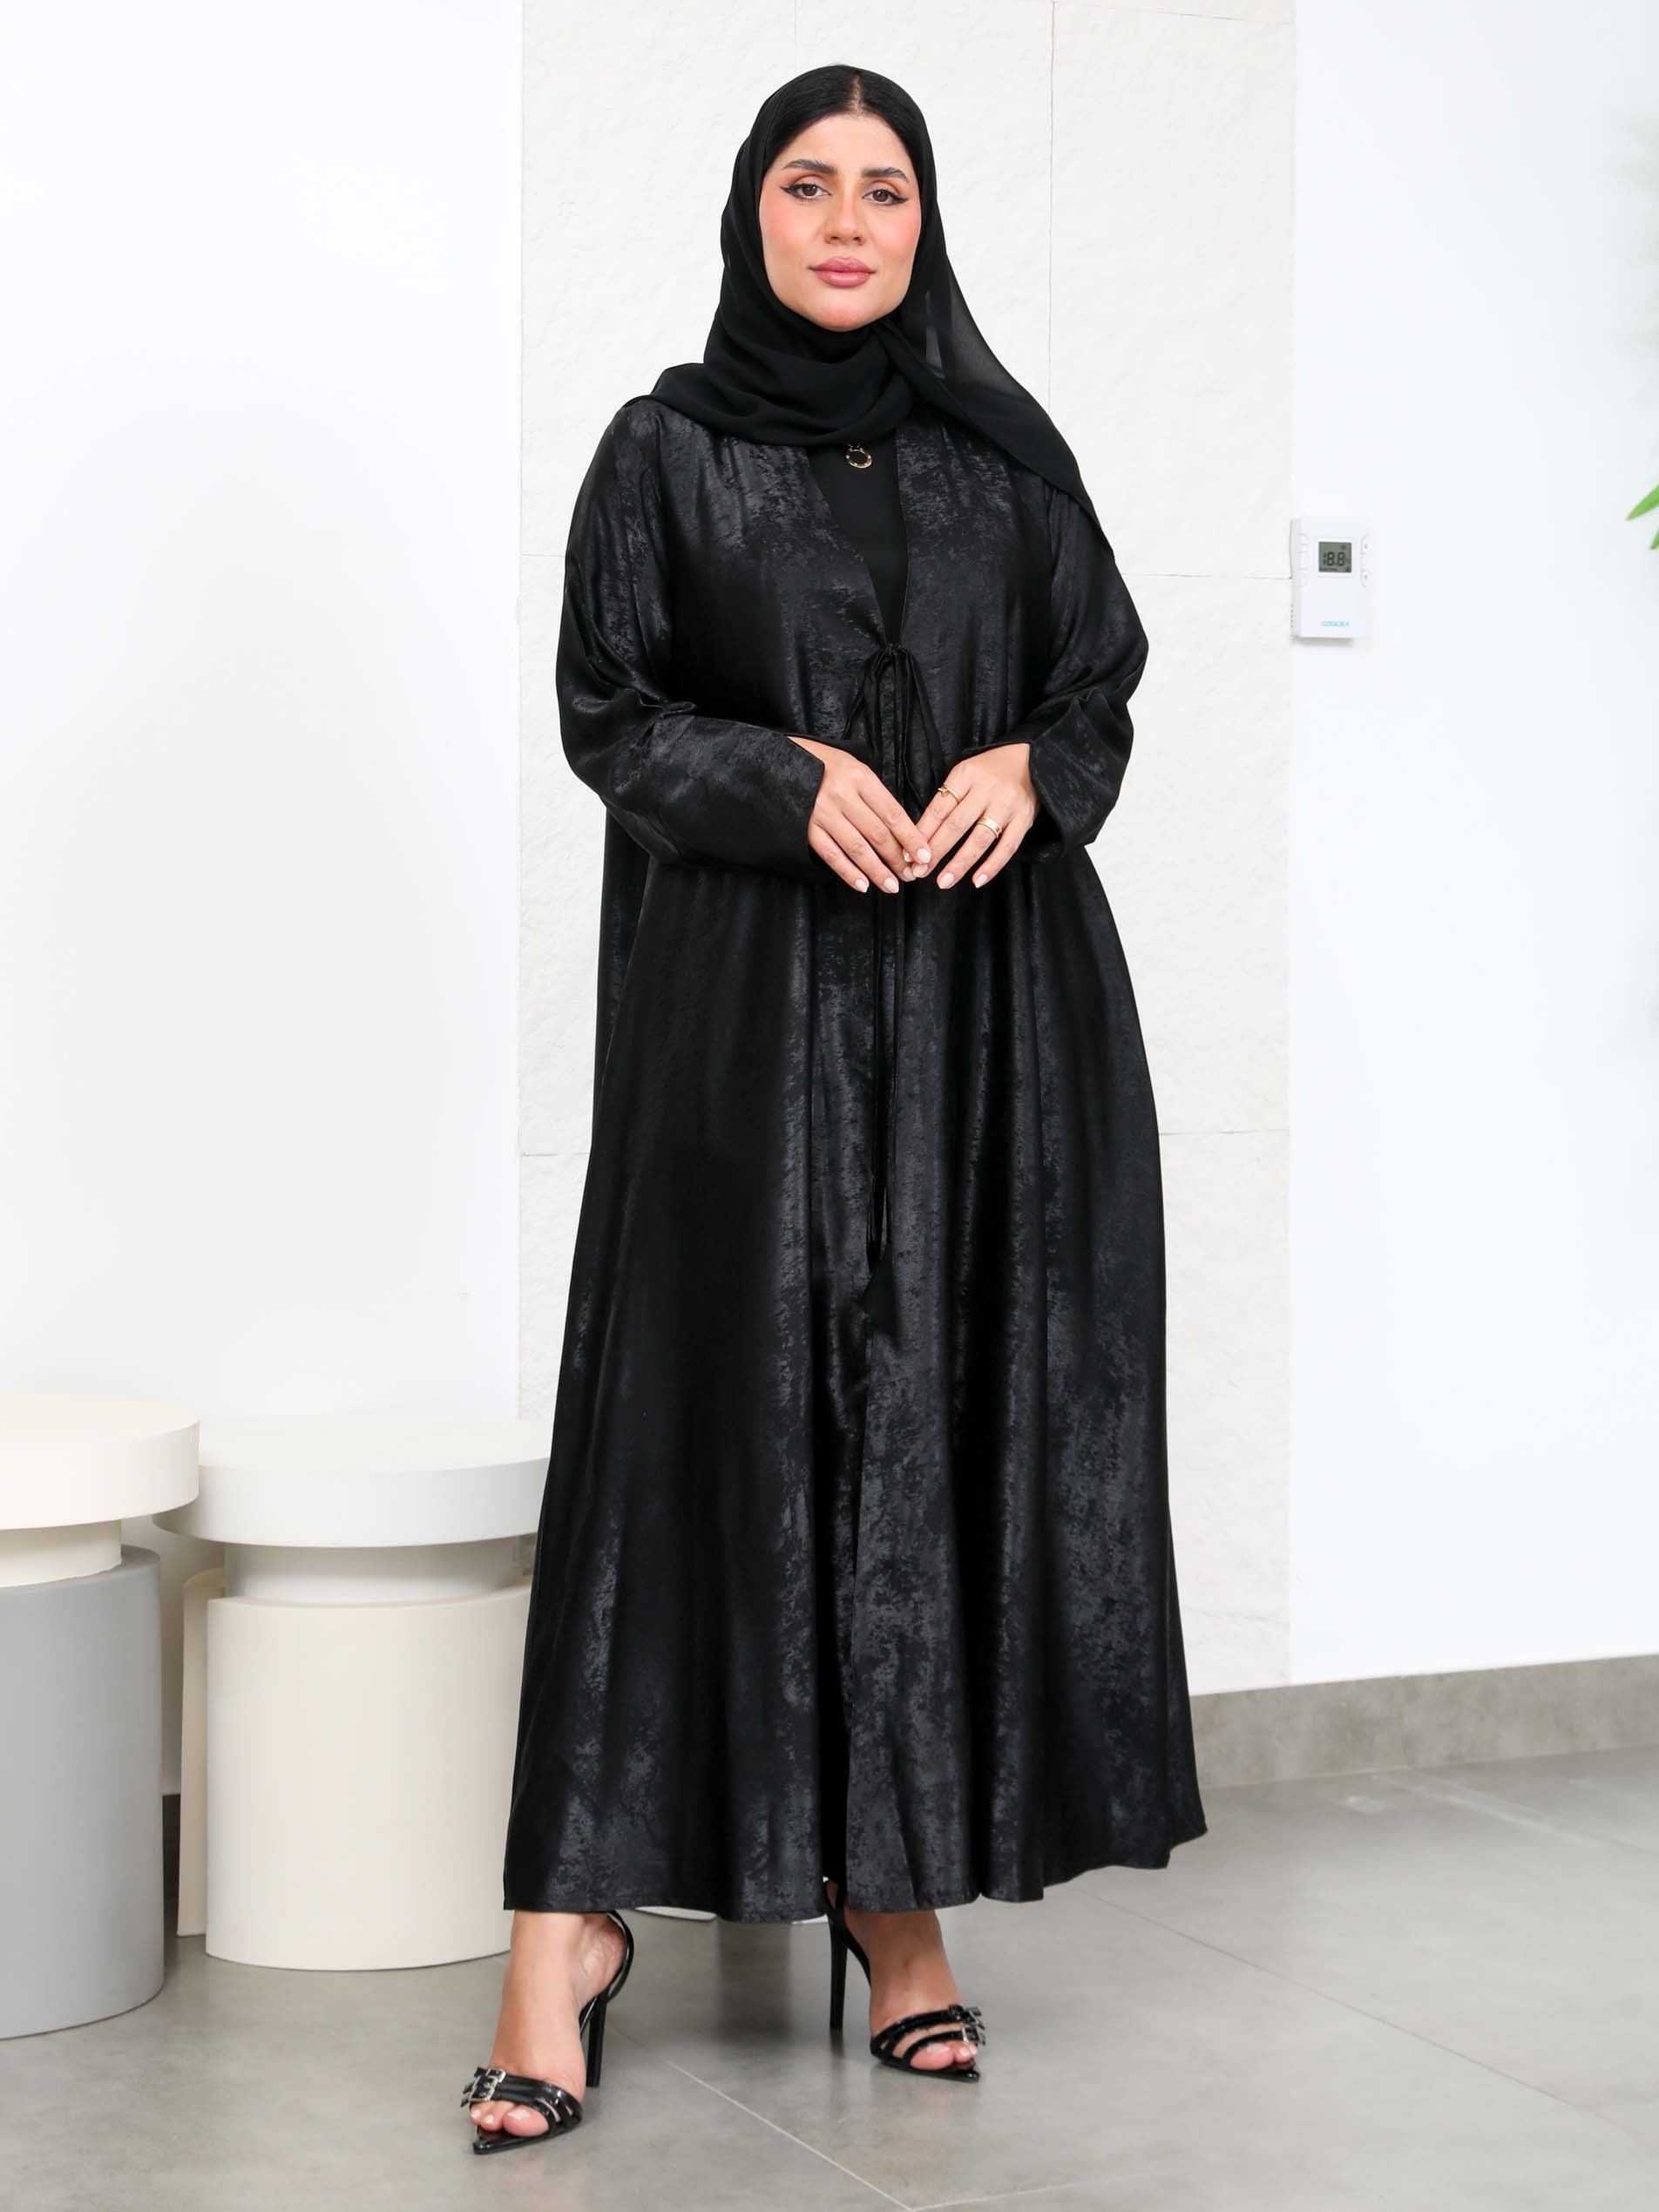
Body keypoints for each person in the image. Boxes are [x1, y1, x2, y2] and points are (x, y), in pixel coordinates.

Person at [461, 62, 1208, 2155]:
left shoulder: (1002, 452)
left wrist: (1036, 765)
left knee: (929, 1429)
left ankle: (897, 1904)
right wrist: (779, 779)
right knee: (685, 1425)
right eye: (810, 184)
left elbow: (1095, 678)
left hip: (988, 1024)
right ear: (752, 212)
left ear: (923, 220)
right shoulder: (666, 451)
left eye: (886, 188)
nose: (850, 222)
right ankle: (559, 1938)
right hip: (746, 1021)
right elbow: (610, 711)